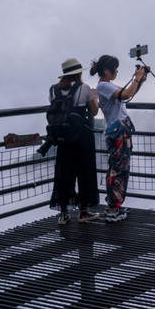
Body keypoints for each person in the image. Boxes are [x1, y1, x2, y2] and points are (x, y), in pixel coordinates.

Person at [90, 54, 147, 222]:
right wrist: (136, 78)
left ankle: (115, 205)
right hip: (117, 133)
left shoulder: (108, 85)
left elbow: (129, 92)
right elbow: (126, 95)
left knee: (121, 168)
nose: (116, 71)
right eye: (114, 69)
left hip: (121, 131)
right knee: (118, 169)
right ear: (106, 70)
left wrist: (141, 79)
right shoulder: (103, 87)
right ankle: (113, 208)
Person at [48, 58, 100, 225]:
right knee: (84, 173)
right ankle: (84, 212)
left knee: (64, 174)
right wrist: (95, 97)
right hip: (82, 136)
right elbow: (94, 110)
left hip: (63, 138)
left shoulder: (53, 90)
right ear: (79, 73)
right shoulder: (84, 88)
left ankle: (63, 214)